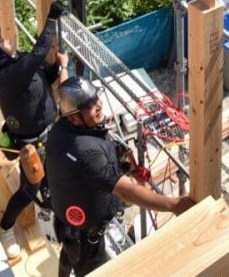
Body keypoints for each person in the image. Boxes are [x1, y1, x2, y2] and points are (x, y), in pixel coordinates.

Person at [46, 77, 194, 275]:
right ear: (73, 117)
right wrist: (173, 205)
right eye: (87, 105)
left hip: (70, 226)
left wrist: (128, 166)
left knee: (69, 258)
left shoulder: (60, 129)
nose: (97, 105)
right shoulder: (87, 154)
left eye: (95, 97)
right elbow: (127, 190)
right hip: (88, 240)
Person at [0, 0, 71, 257]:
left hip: (51, 133)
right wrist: (52, 18)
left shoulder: (19, 64)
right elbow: (39, 53)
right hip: (31, 145)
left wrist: (59, 68)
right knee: (29, 190)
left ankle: (53, 208)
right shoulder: (7, 77)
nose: (4, 39)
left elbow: (44, 77)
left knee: (54, 177)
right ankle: (6, 228)